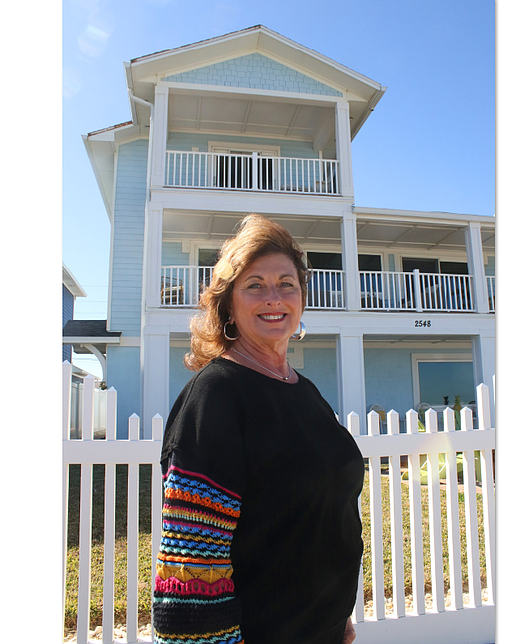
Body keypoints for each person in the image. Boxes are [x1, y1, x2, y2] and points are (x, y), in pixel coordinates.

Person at [152, 214, 364, 644]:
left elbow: (322, 518)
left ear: (301, 298)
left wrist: (338, 616)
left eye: (287, 283)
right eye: (254, 285)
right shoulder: (215, 395)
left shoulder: (306, 392)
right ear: (228, 305)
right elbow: (192, 561)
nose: (274, 297)